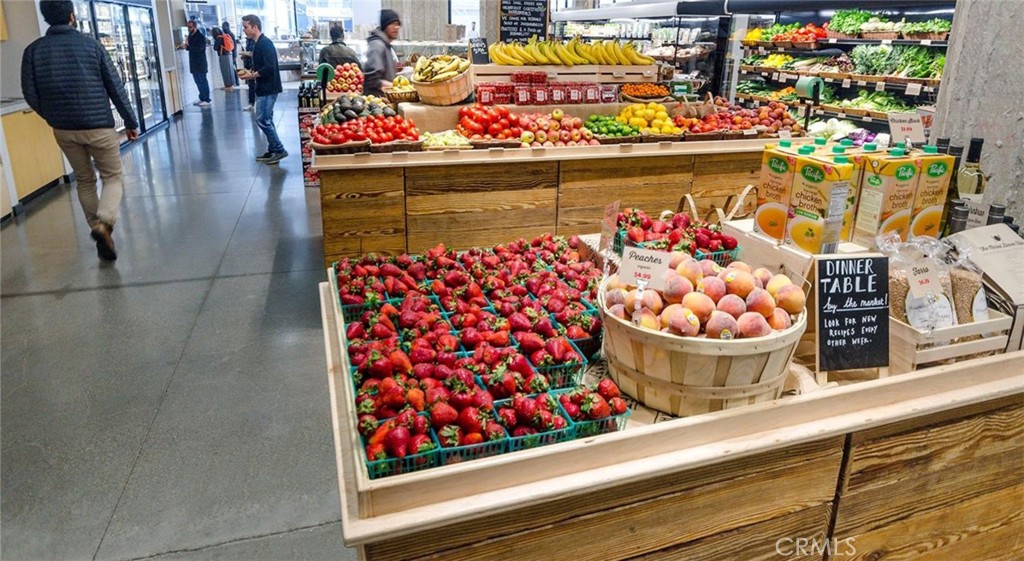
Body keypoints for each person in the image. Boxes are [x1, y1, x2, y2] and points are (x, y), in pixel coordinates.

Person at [22, 0, 139, 261]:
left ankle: (98, 232)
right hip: (99, 126)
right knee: (112, 177)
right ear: (72, 16)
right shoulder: (91, 45)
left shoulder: (33, 51)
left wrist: (52, 116)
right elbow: (115, 87)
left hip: (64, 129)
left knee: (85, 180)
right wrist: (131, 122)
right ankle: (104, 224)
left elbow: (30, 92)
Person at [237, 14, 286, 164]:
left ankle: (278, 149)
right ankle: (272, 149)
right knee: (267, 118)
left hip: (268, 87)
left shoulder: (265, 43)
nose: (244, 30)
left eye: (246, 27)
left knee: (262, 119)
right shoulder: (258, 43)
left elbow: (269, 67)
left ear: (255, 27)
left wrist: (251, 75)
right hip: (263, 87)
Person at [364, 9, 400, 97]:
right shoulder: (377, 45)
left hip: (386, 100)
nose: (396, 27)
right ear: (384, 26)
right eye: (392, 24)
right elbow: (372, 80)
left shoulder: (386, 45)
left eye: (398, 24)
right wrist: (397, 88)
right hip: (377, 103)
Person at [180, 20, 211, 106]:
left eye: (190, 27)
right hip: (193, 63)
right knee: (197, 81)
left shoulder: (200, 37)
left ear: (195, 27)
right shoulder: (190, 36)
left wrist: (187, 47)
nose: (189, 29)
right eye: (188, 27)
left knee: (202, 81)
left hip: (200, 63)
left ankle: (206, 98)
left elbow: (199, 49)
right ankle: (202, 97)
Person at [240, 34, 256, 111]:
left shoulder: (255, 41)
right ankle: (251, 103)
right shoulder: (248, 41)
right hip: (248, 65)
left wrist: (246, 54)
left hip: (254, 65)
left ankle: (252, 103)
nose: (244, 31)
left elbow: (254, 53)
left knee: (253, 85)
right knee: (251, 85)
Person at [222, 21, 240, 86]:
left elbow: (234, 46)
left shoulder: (229, 34)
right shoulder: (229, 34)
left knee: (234, 69)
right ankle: (236, 83)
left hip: (231, 54)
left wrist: (234, 56)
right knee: (234, 68)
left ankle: (236, 83)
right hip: (232, 54)